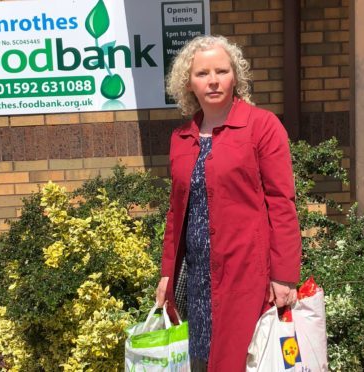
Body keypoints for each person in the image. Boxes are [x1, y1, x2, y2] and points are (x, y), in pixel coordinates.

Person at [155, 35, 302, 371]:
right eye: (202, 73)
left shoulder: (261, 127)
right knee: (200, 356)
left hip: (245, 270)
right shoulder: (181, 138)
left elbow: (282, 203)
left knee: (240, 357)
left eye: (221, 71)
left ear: (235, 76)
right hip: (195, 275)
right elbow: (177, 211)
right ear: (188, 83)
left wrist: (284, 275)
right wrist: (167, 273)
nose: (213, 80)